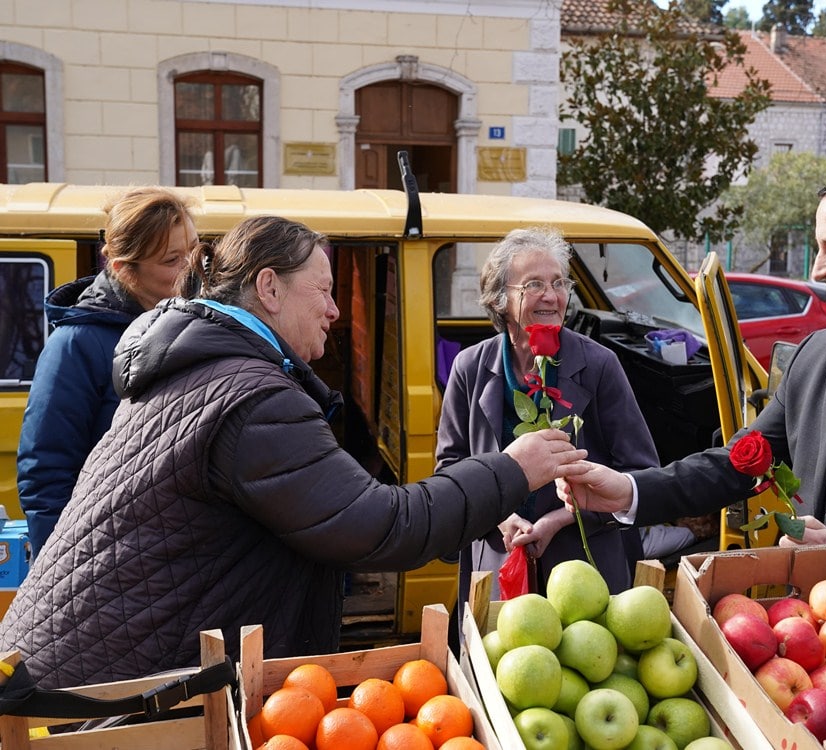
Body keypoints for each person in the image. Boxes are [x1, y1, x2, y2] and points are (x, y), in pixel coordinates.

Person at [0, 215, 586, 689]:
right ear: (269, 288)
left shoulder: (206, 370)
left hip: (75, 671)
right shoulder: (251, 397)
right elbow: (378, 525)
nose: (335, 310)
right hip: (98, 700)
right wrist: (511, 469)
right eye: (324, 291)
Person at [558, 161, 826, 676]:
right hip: (810, 653)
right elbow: (739, 463)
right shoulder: (819, 355)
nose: (817, 269)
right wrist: (630, 491)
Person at [435, 226, 670, 613]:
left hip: (585, 567)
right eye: (534, 284)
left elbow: (640, 472)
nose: (551, 295)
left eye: (559, 283)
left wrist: (560, 519)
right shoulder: (469, 368)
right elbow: (450, 469)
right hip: (498, 564)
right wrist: (499, 517)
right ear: (500, 299)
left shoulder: (599, 365)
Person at [16, 187, 199, 555]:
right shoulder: (76, 345)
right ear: (123, 270)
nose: (193, 267)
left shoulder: (196, 323)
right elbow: (46, 473)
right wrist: (64, 566)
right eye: (172, 260)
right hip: (111, 557)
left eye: (196, 249)